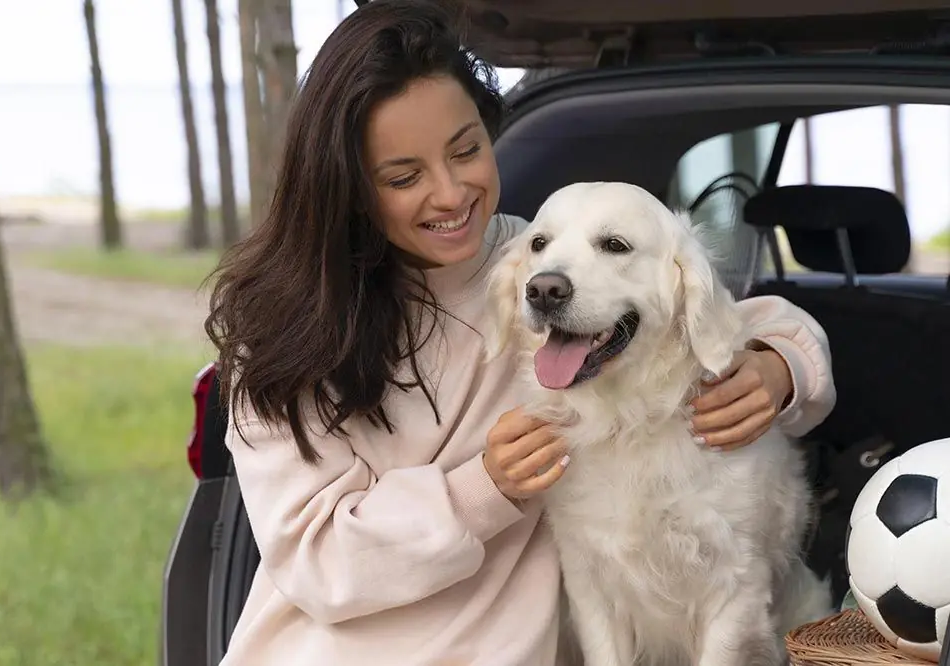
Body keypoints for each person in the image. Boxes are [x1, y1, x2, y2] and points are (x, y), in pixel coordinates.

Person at [203, 2, 836, 665]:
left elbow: (711, 312)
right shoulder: (277, 337)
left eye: (467, 150)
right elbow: (316, 560)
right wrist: (485, 489)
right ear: (350, 187)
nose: (450, 194)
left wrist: (778, 363)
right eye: (403, 177)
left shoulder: (527, 261)